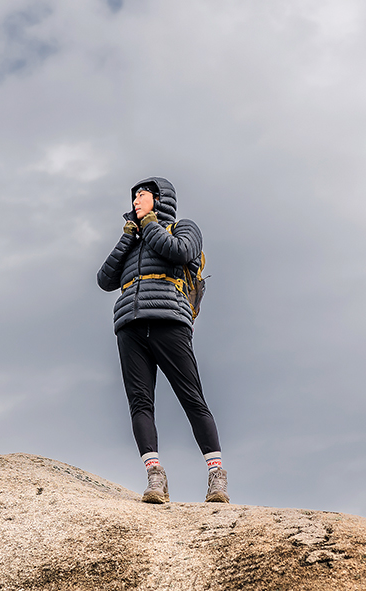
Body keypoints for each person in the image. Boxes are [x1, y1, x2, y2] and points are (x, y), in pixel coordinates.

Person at [97, 177, 229, 504]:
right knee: (140, 403)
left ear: (159, 199)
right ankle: (155, 476)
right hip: (129, 323)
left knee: (191, 398)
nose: (136, 200)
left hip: (169, 319)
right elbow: (105, 279)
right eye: (135, 197)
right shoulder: (134, 237)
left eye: (142, 195)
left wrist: (152, 224)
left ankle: (217, 477)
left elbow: (180, 252)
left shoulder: (183, 228)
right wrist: (128, 235)